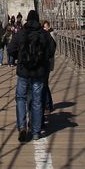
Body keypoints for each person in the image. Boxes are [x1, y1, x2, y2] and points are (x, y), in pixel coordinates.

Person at [8, 9, 52, 142]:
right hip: (39, 73)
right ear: (38, 20)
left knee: (21, 98)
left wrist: (20, 58)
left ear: (27, 18)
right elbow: (52, 50)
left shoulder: (21, 33)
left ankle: (22, 126)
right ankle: (36, 132)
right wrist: (42, 60)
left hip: (23, 72)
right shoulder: (44, 34)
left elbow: (10, 49)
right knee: (37, 101)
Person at [42, 20, 56, 124]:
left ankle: (47, 105)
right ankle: (49, 105)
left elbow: (52, 49)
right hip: (46, 63)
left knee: (44, 84)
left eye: (45, 27)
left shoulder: (50, 35)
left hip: (47, 63)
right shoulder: (48, 35)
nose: (44, 29)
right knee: (45, 84)